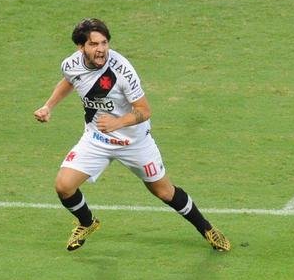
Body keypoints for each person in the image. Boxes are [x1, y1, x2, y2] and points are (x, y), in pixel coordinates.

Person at [33, 18, 231, 253]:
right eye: (94, 44)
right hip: (97, 139)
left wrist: (117, 122)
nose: (101, 49)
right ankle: (87, 222)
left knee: (164, 192)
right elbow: (70, 81)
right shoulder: (71, 64)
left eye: (104, 43)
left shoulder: (121, 71)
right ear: (81, 47)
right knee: (64, 186)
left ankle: (207, 229)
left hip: (134, 142)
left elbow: (145, 111)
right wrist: (48, 106)